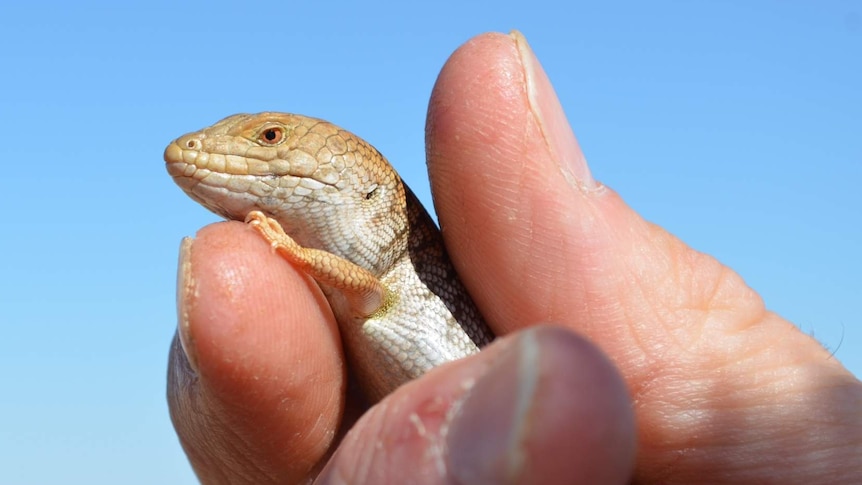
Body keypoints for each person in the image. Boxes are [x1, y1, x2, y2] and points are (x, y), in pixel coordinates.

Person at [166, 31, 861, 484]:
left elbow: (370, 292)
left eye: (270, 137)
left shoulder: (374, 272)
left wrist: (288, 249)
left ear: (364, 180)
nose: (247, 150)